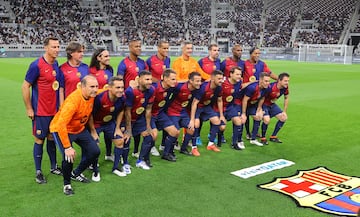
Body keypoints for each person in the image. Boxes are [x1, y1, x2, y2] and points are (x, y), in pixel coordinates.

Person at [21, 36, 63, 184]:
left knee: (52, 138)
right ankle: (38, 171)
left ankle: (54, 167)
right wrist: (29, 108)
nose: (57, 50)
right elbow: (25, 86)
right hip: (40, 112)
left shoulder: (56, 64)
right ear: (45, 47)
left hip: (54, 112)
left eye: (58, 47)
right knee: (39, 139)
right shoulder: (36, 65)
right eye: (54, 47)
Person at [50, 75, 100, 195]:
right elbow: (61, 124)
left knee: (95, 151)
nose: (95, 89)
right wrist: (67, 147)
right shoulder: (73, 101)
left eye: (97, 86)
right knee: (69, 157)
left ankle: (76, 173)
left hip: (79, 129)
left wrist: (116, 90)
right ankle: (67, 185)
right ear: (82, 87)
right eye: (92, 86)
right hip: (62, 129)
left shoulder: (91, 95)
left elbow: (105, 90)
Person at [88, 76, 128, 181]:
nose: (120, 90)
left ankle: (116, 168)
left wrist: (118, 127)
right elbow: (90, 115)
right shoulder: (99, 98)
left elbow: (121, 111)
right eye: (117, 87)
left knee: (120, 140)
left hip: (109, 123)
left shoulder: (122, 97)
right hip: (96, 123)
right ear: (109, 88)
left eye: (122, 87)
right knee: (95, 146)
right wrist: (92, 131)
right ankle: (95, 170)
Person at [117, 39, 149, 158]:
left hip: (140, 99)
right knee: (125, 126)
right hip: (128, 99)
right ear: (130, 48)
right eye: (136, 46)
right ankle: (121, 153)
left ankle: (136, 151)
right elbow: (120, 81)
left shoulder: (143, 63)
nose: (139, 48)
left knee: (138, 125)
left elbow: (147, 79)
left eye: (140, 46)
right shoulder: (123, 63)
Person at [243, 47, 278, 139]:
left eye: (259, 53)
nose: (257, 55)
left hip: (258, 92)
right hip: (247, 91)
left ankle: (255, 131)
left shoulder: (262, 64)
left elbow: (269, 73)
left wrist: (279, 79)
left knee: (256, 112)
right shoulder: (244, 64)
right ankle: (247, 132)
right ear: (251, 54)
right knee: (246, 113)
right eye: (255, 53)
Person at [124, 70, 155, 170]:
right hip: (126, 119)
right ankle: (125, 163)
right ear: (139, 79)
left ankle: (140, 160)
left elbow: (148, 109)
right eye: (147, 79)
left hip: (139, 118)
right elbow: (127, 111)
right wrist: (128, 129)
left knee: (149, 136)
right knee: (126, 139)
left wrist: (148, 126)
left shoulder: (151, 90)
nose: (150, 82)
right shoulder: (130, 91)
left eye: (150, 79)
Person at [190, 70, 225, 154]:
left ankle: (211, 144)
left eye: (222, 78)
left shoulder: (219, 87)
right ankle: (194, 147)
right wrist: (192, 119)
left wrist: (221, 115)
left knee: (217, 121)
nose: (221, 80)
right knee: (196, 124)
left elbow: (220, 101)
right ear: (212, 78)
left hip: (207, 107)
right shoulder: (203, 88)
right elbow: (194, 103)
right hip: (198, 107)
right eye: (219, 78)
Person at [167, 72, 202, 156]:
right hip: (172, 111)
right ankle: (169, 152)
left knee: (191, 128)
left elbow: (194, 104)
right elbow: (167, 91)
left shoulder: (198, 89)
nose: (199, 83)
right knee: (176, 131)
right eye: (197, 81)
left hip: (183, 112)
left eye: (200, 81)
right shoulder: (179, 86)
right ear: (190, 81)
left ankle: (183, 148)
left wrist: (192, 120)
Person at [89, 48, 114, 158]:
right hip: (95, 106)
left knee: (108, 131)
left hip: (108, 105)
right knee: (94, 133)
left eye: (108, 56)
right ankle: (92, 159)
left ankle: (109, 154)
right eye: (106, 56)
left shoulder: (110, 70)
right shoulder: (91, 71)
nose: (109, 58)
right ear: (98, 58)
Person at [151, 69, 179, 162]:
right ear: (165, 78)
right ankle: (144, 157)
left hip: (160, 113)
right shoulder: (154, 88)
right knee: (153, 135)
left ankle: (166, 153)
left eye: (175, 79)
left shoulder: (172, 88)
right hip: (150, 114)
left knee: (175, 132)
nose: (175, 81)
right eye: (173, 79)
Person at [241, 72, 271, 147]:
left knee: (258, 116)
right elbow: (244, 100)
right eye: (266, 81)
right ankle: (238, 140)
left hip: (252, 104)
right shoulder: (252, 87)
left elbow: (262, 98)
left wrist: (259, 108)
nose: (268, 83)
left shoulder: (267, 88)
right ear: (260, 81)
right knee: (242, 120)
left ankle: (253, 139)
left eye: (269, 81)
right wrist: (244, 113)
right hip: (241, 104)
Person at [260, 73, 290, 144]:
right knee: (267, 120)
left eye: (288, 81)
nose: (287, 83)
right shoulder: (270, 87)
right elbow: (261, 98)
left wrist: (284, 111)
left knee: (284, 118)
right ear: (279, 80)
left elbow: (286, 98)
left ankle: (273, 137)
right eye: (285, 81)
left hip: (272, 105)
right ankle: (263, 138)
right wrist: (259, 109)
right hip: (264, 105)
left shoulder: (285, 87)